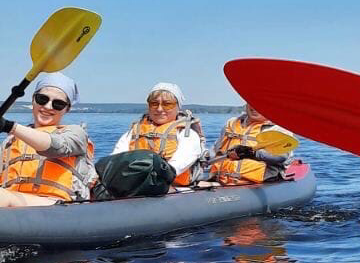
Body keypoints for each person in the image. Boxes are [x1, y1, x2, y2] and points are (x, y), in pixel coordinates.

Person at [0, 72, 94, 207]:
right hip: (14, 208)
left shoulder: (76, 133)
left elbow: (56, 147)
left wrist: (9, 126)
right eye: (42, 99)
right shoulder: (10, 142)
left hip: (58, 206)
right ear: (33, 100)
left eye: (58, 104)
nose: (48, 107)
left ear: (67, 109)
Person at [112, 82, 207, 188]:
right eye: (154, 103)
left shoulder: (186, 134)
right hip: (134, 185)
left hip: (171, 187)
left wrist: (153, 178)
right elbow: (116, 160)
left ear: (177, 107)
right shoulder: (132, 133)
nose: (159, 109)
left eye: (167, 104)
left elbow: (178, 164)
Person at [206, 104, 294, 185]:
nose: (255, 106)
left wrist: (252, 153)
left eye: (260, 103)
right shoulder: (231, 123)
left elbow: (281, 156)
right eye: (251, 102)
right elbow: (215, 150)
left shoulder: (279, 128)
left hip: (256, 181)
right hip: (220, 179)